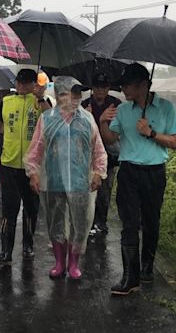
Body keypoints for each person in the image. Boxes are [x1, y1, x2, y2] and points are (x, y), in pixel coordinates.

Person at [99, 63, 176, 295]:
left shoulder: (167, 108)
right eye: (123, 85)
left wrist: (152, 133)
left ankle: (147, 266)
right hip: (128, 172)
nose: (123, 89)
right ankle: (130, 277)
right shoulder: (124, 110)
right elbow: (109, 139)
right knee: (129, 224)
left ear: (144, 85)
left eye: (128, 85)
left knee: (151, 221)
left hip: (155, 173)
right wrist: (103, 122)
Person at [25, 76, 107, 280]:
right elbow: (36, 149)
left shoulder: (87, 119)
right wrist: (33, 173)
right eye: (73, 93)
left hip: (80, 182)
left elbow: (98, 149)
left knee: (80, 223)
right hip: (53, 180)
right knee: (56, 222)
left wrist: (98, 172)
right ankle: (59, 262)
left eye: (79, 93)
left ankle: (73, 263)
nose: (76, 98)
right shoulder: (48, 119)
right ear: (61, 95)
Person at [0, 68, 51, 265]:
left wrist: (40, 99)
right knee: (9, 208)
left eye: (26, 82)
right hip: (8, 163)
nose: (21, 86)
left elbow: (51, 121)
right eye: (19, 82)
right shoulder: (6, 102)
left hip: (33, 167)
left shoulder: (41, 103)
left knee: (31, 208)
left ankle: (28, 245)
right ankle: (5, 250)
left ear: (35, 84)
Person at [82, 73, 122, 235]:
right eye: (97, 86)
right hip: (87, 155)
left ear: (108, 88)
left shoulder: (115, 104)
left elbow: (116, 132)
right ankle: (88, 221)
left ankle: (101, 221)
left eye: (104, 87)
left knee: (105, 189)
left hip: (109, 155)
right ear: (92, 88)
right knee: (88, 189)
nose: (101, 90)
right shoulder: (85, 104)